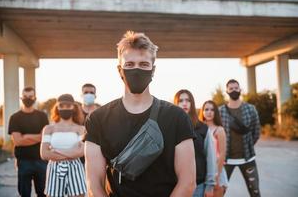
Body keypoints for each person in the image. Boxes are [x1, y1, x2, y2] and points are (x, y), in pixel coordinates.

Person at [85, 31, 196, 197]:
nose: (136, 70)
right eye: (129, 64)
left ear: (153, 70)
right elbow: (94, 184)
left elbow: (187, 182)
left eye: (144, 64)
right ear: (119, 70)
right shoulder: (97, 119)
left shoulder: (177, 117)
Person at [219, 79, 261, 197]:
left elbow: (256, 131)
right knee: (219, 192)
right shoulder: (221, 111)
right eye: (231, 89)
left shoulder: (250, 109)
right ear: (226, 91)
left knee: (255, 191)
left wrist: (248, 145)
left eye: (236, 88)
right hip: (226, 160)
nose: (234, 91)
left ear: (240, 90)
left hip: (248, 158)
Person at [40, 94, 87, 197]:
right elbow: (44, 154)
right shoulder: (48, 129)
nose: (65, 108)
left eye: (68, 106)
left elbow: (81, 152)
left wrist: (55, 151)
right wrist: (71, 154)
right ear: (57, 107)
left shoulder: (80, 129)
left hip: (75, 168)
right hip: (54, 168)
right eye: (62, 106)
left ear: (73, 107)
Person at [174, 89, 217, 197]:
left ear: (192, 104)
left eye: (187, 100)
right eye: (181, 100)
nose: (184, 103)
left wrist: (210, 185)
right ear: (176, 103)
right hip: (175, 186)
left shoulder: (203, 128)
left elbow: (211, 158)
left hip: (198, 186)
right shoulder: (170, 128)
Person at [8, 86, 49, 197]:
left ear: (35, 98)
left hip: (41, 161)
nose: (28, 99)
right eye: (25, 96)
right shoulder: (15, 117)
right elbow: (17, 141)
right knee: (24, 194)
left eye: (30, 96)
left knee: (43, 193)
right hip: (23, 161)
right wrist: (37, 137)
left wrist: (25, 137)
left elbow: (45, 137)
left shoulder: (42, 116)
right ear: (21, 97)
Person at [200, 100, 228, 197]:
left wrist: (217, 175)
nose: (209, 112)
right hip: (203, 171)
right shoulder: (199, 128)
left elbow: (222, 154)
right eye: (206, 109)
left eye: (212, 110)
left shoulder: (219, 130)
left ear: (215, 112)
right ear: (202, 111)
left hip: (216, 171)